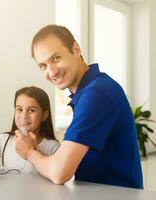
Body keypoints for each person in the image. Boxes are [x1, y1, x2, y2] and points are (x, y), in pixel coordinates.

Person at [14, 24, 143, 188]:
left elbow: (59, 173)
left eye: (56, 58)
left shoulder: (97, 92)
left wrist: (30, 153)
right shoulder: (88, 92)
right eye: (43, 66)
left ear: (76, 49)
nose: (52, 72)